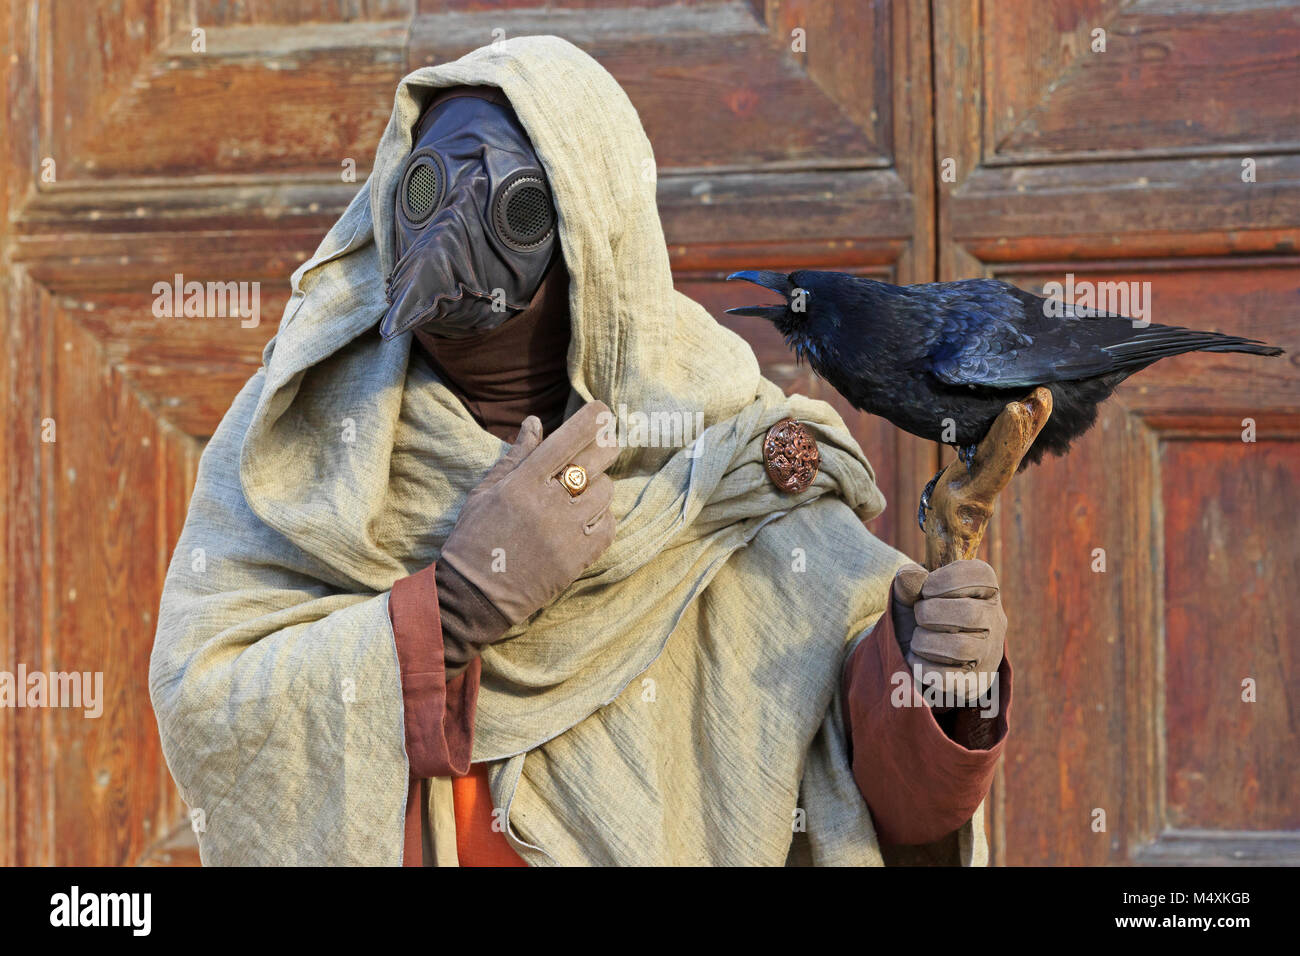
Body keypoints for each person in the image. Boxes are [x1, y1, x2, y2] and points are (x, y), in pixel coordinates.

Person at [149, 36, 1012, 867]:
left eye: (513, 211)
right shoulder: (298, 433)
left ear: (594, 247)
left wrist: (933, 684)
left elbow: (864, 795)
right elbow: (209, 706)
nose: (447, 234)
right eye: (423, 191)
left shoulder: (719, 453)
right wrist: (441, 616)